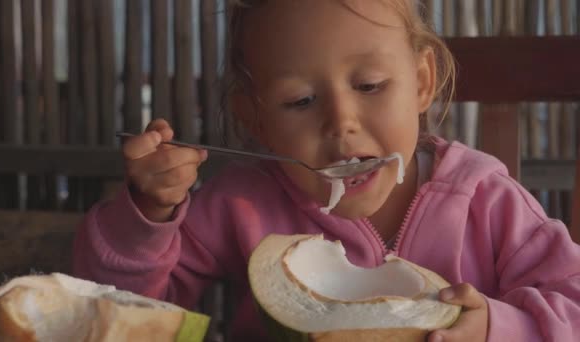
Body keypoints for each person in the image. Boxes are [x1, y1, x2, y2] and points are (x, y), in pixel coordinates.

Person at [72, 1, 580, 341]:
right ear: (256, 119)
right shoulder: (240, 205)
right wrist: (148, 214)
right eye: (301, 100)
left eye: (371, 85)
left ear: (422, 83)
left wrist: (498, 327)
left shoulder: (487, 200)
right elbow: (119, 313)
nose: (341, 122)